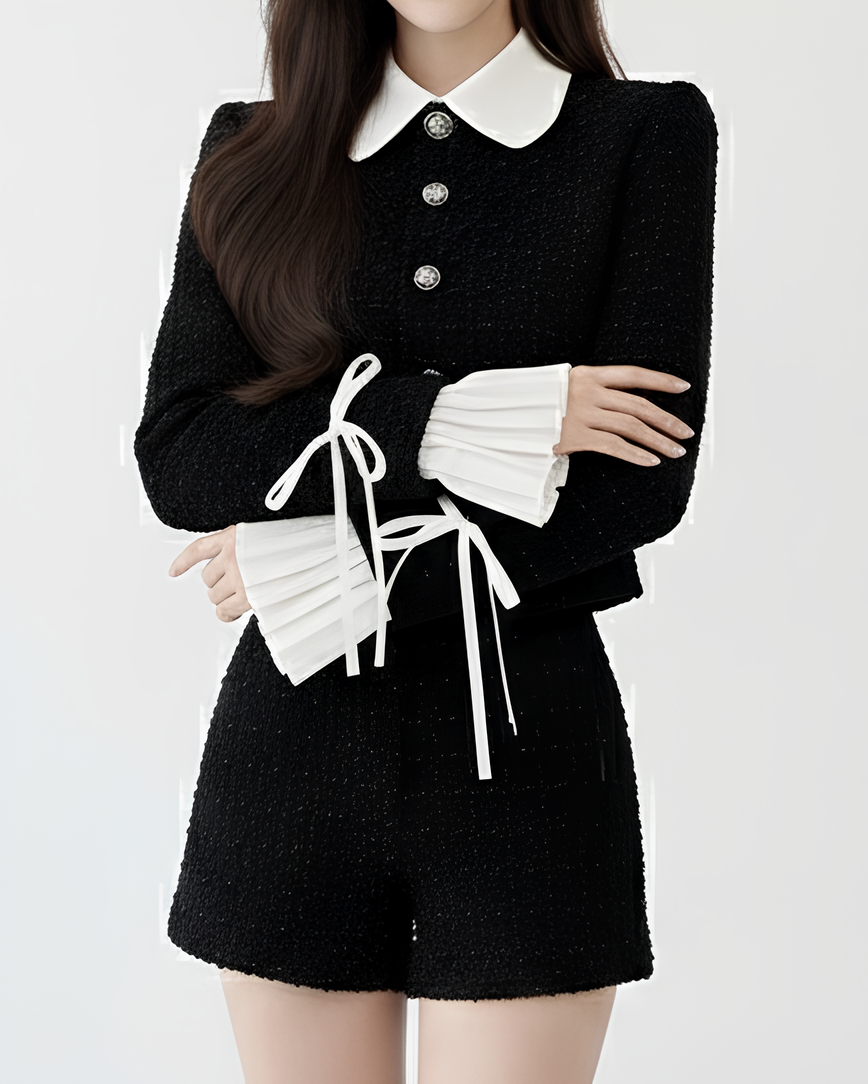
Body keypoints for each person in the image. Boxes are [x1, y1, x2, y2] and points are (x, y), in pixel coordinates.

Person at [135, 1, 717, 1080]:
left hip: (531, 758)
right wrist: (458, 423)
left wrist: (314, 570)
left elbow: (638, 483)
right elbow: (185, 453)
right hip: (290, 761)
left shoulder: (642, 134)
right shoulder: (250, 148)